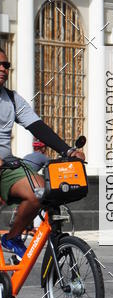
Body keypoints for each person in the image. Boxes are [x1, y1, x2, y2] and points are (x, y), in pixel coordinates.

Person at [0, 50, 85, 259]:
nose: (3, 69)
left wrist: (68, 150)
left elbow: (37, 127)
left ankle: (12, 237)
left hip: (5, 167)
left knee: (40, 191)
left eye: (6, 65)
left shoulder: (11, 99)